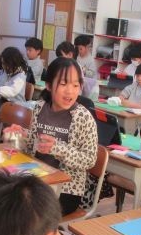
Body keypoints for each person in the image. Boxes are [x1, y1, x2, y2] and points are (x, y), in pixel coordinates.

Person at [6, 58, 98, 215]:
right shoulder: (40, 107)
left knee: (19, 207)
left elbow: (89, 160)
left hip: (66, 189)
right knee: (0, 191)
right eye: (63, 84)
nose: (70, 91)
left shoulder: (83, 117)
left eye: (75, 85)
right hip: (36, 177)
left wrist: (57, 148)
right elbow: (33, 144)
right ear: (49, 85)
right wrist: (20, 135)